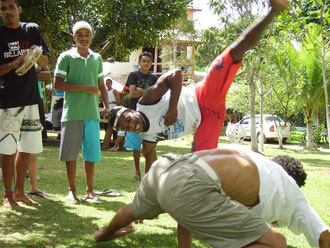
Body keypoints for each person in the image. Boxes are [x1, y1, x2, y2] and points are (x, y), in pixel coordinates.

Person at [108, 0, 291, 174]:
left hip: (202, 96)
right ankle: (260, 170)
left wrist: (172, 108)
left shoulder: (146, 102)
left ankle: (273, 11)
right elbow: (149, 161)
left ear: (128, 110)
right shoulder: (147, 138)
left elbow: (175, 74)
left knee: (230, 56)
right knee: (201, 168)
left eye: (128, 119)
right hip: (208, 121)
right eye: (128, 127)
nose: (133, 125)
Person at [94, 145, 330, 247]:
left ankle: (102, 234)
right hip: (189, 185)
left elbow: (187, 206)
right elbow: (324, 238)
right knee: (277, 243)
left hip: (168, 166)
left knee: (133, 209)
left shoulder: (248, 155)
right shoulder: (292, 191)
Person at [54, 20, 110, 203]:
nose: (84, 38)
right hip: (72, 114)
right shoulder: (66, 57)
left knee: (91, 154)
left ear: (92, 37)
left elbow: (101, 85)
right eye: (80, 34)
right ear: (74, 37)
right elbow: (58, 84)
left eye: (87, 35)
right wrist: (83, 87)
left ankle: (90, 191)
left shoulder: (97, 58)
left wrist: (107, 106)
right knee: (70, 154)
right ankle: (72, 190)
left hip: (92, 114)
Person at [0, 0, 49, 207]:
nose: (8, 11)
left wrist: (35, 58)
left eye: (11, 7)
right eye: (3, 8)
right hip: (8, 101)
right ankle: (8, 194)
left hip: (31, 99)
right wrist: (14, 64)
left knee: (27, 147)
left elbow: (45, 61)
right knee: (7, 148)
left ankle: (21, 192)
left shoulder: (31, 29)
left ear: (19, 9)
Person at [123, 52, 158, 180]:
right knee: (136, 146)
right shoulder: (133, 75)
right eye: (144, 61)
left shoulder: (154, 78)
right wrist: (147, 93)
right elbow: (131, 94)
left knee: (150, 145)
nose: (146, 63)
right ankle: (137, 172)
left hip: (150, 116)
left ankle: (149, 173)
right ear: (139, 62)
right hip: (134, 114)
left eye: (148, 61)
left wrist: (141, 91)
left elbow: (156, 96)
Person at [101, 78, 120, 150]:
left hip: (113, 111)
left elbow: (119, 101)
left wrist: (111, 102)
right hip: (106, 112)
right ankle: (107, 142)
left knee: (114, 127)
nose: (107, 84)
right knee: (106, 127)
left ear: (111, 84)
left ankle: (114, 143)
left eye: (108, 83)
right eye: (106, 83)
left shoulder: (114, 91)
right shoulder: (104, 92)